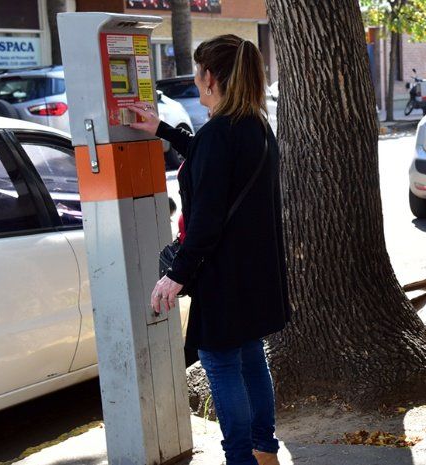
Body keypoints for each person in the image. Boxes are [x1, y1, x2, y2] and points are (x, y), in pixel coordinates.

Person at [129, 34, 291, 465]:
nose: (196, 80)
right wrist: (162, 130)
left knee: (219, 362)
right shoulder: (255, 126)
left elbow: (206, 220)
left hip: (225, 274)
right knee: (251, 357)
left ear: (211, 78)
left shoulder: (221, 133)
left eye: (198, 72)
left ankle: (239, 458)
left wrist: (175, 274)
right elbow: (212, 160)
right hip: (256, 270)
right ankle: (264, 451)